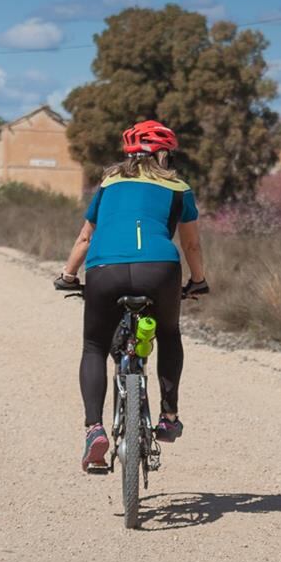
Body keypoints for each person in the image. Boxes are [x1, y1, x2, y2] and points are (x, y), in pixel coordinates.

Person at [54, 121, 210, 471]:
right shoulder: (177, 186)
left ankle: (94, 428)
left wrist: (67, 276)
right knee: (168, 333)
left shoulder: (109, 184)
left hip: (104, 269)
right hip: (160, 268)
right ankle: (168, 416)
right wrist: (198, 280)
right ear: (163, 153)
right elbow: (191, 243)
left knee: (94, 346)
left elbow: (85, 238)